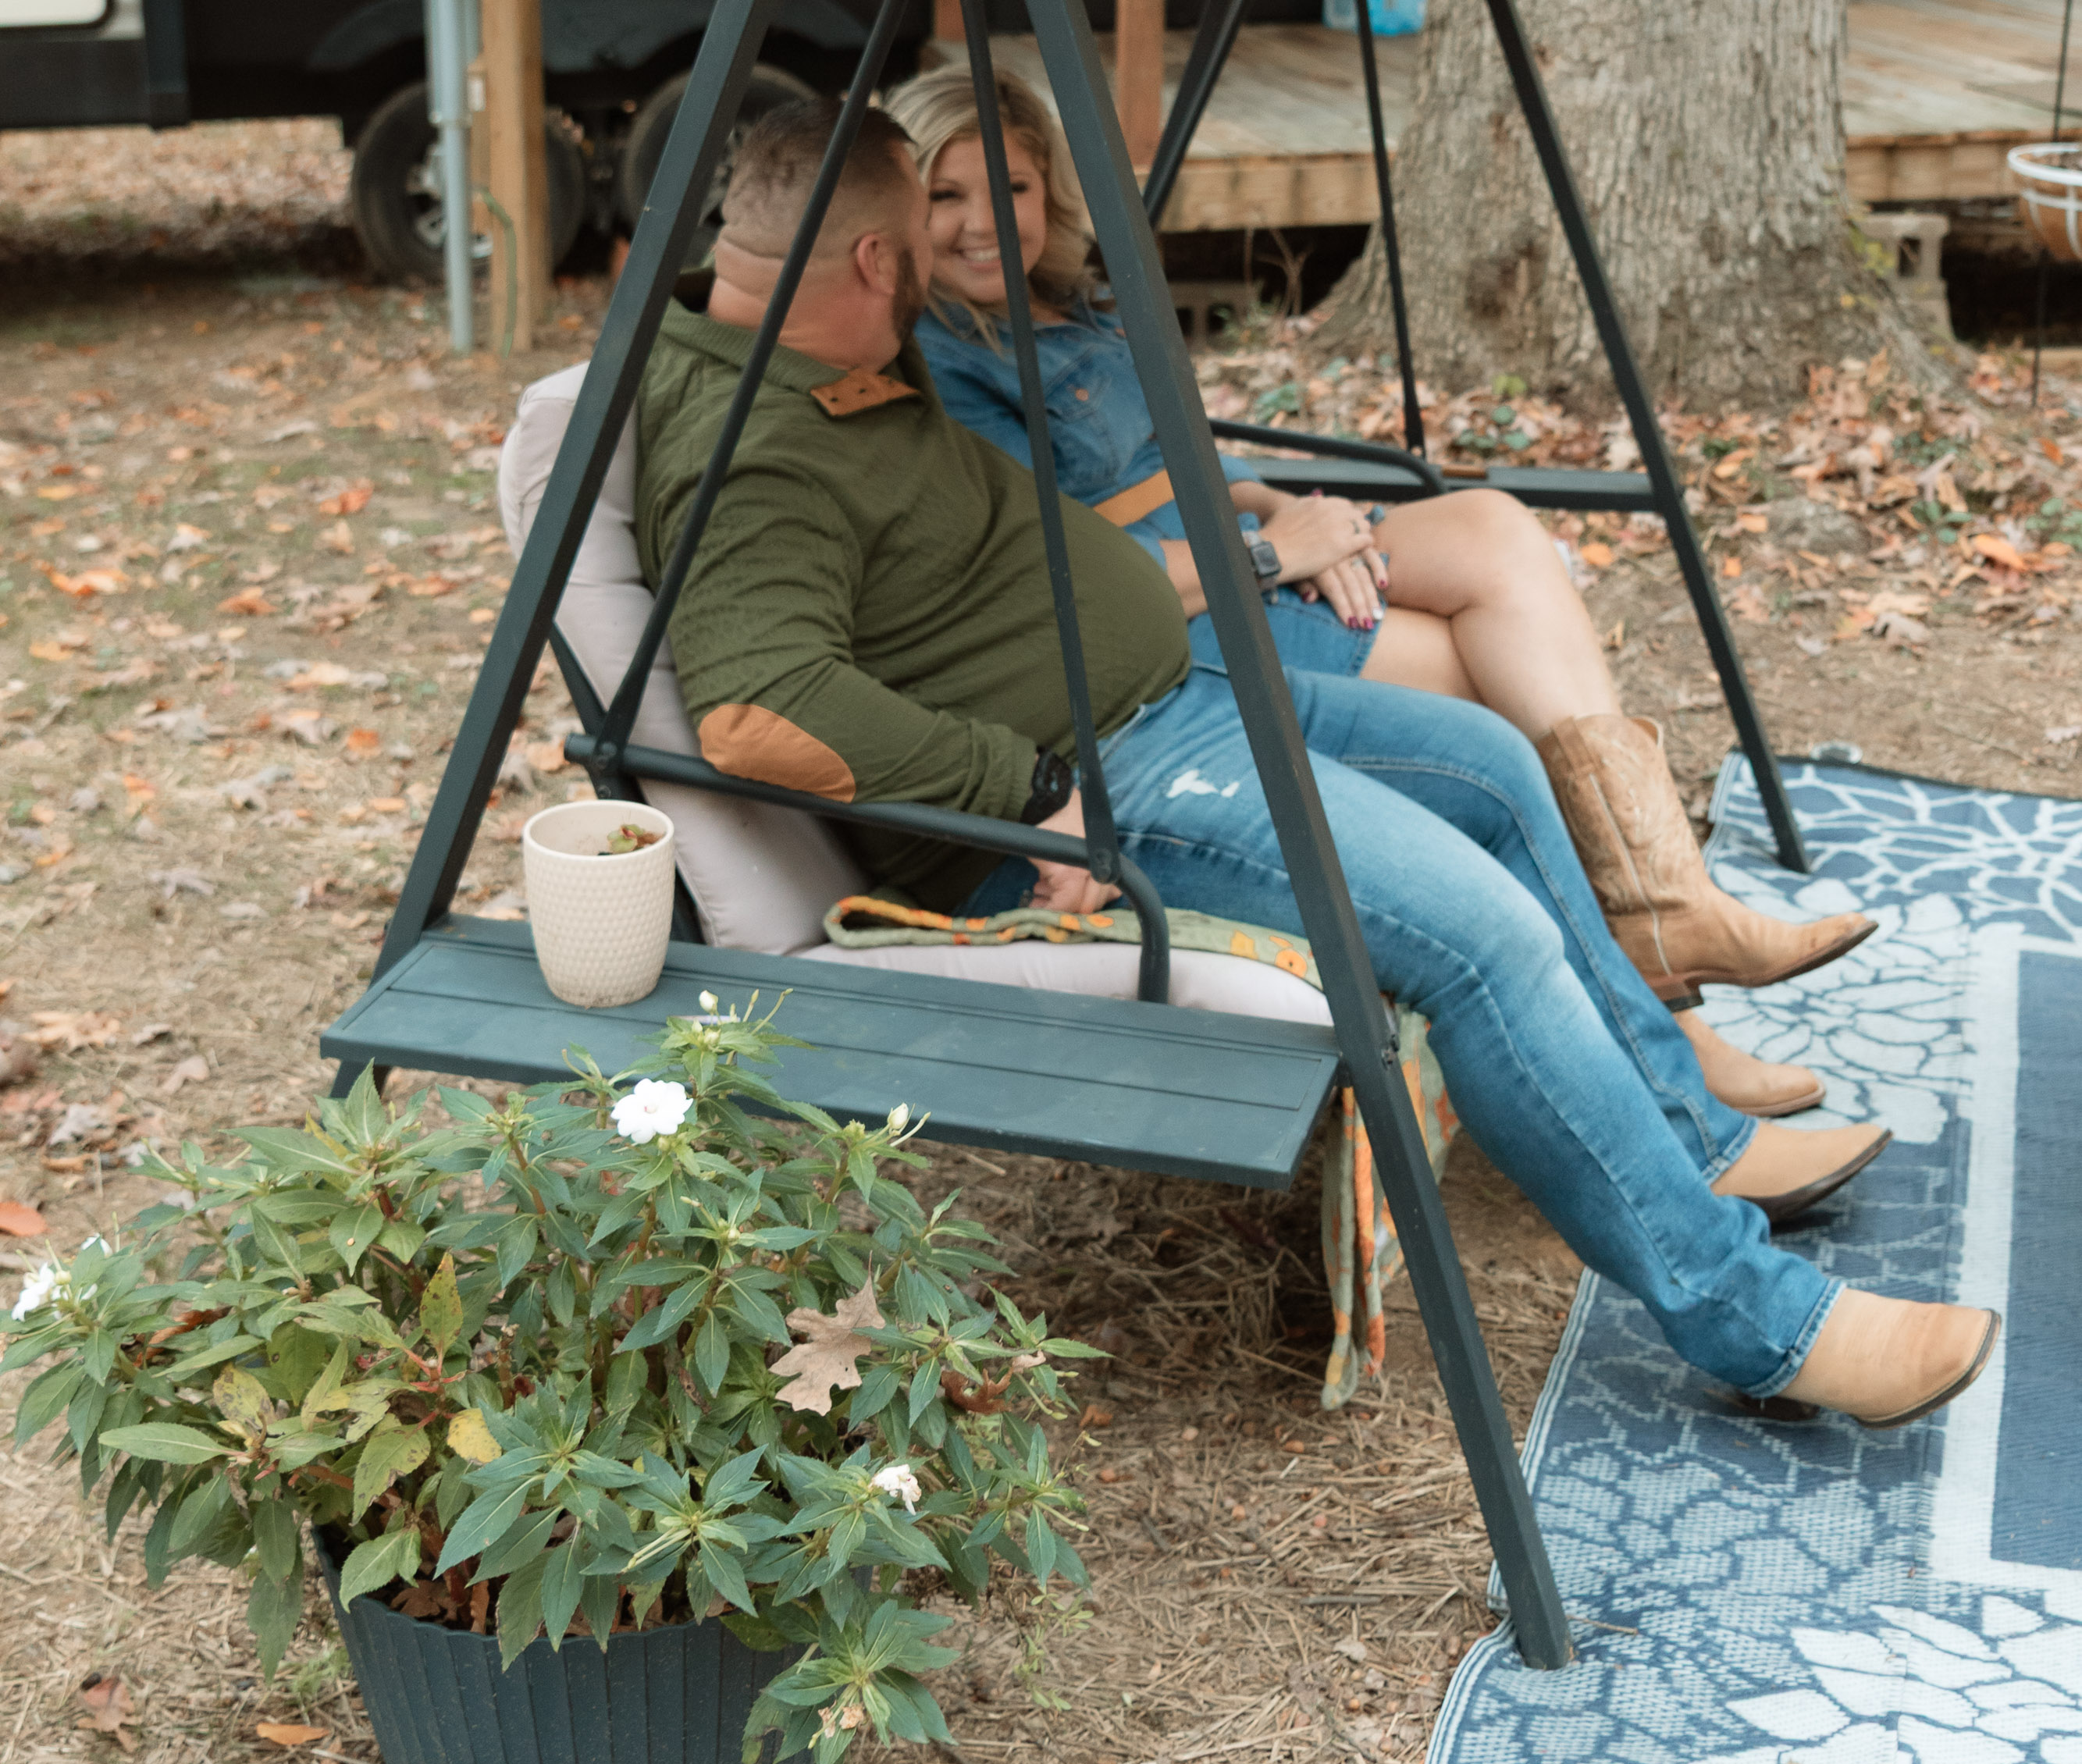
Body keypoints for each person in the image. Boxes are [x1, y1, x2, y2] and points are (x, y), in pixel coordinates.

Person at [632, 95, 1995, 1434]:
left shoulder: (825, 346)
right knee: (1482, 940)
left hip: (1172, 703)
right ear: (873, 262)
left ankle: (1691, 1138)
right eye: (917, 254)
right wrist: (1031, 786)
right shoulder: (755, 446)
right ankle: (1759, 1322)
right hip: (1085, 795)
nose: (939, 281)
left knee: (1493, 766)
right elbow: (764, 715)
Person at [886, 65, 1868, 1121]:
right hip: (1184, 620)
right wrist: (1266, 556)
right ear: (902, 212)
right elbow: (1068, 581)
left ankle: (1663, 904)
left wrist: (1282, 512)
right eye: (946, 195)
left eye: (1011, 184)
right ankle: (1661, 1008)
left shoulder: (1077, 305)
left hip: (1240, 550)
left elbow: (1184, 462)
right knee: (1477, 678)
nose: (983, 220)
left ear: (1050, 194)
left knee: (1493, 528)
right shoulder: (938, 358)